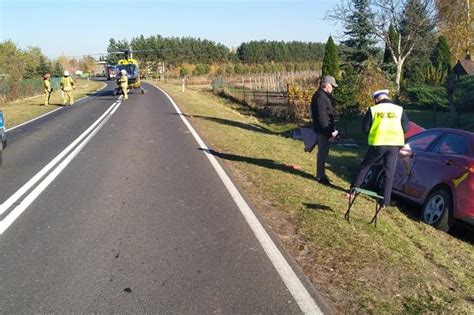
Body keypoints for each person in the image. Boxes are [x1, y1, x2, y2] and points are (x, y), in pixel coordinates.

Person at [349, 89, 410, 207]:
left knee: (366, 165)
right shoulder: (399, 110)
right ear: (388, 97)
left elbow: (365, 129)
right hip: (394, 145)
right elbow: (406, 128)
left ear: (377, 99)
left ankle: (353, 189)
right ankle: (384, 202)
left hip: (379, 143)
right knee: (389, 173)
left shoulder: (373, 110)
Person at [311, 75, 339, 185]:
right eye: (332, 86)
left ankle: (321, 174)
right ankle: (320, 176)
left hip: (324, 129)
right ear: (326, 85)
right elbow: (322, 117)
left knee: (324, 152)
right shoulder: (321, 97)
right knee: (322, 153)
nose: (333, 88)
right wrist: (329, 132)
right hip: (323, 130)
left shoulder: (322, 96)